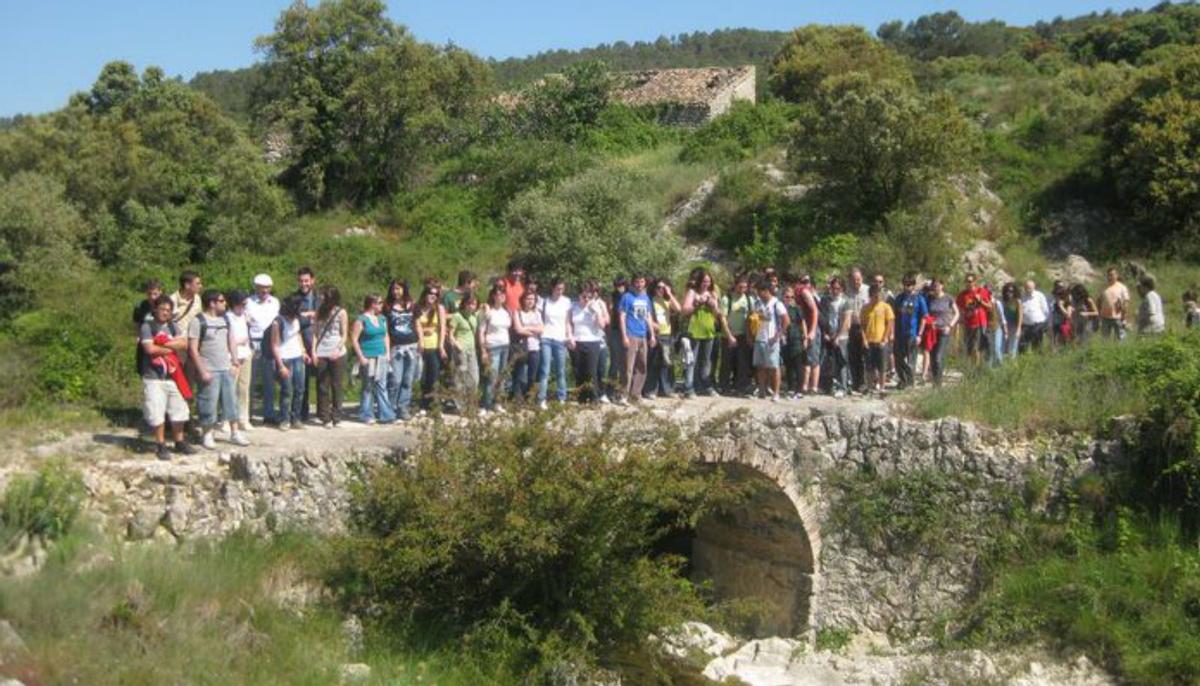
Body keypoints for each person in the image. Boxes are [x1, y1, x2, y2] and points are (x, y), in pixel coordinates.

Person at [188, 290, 248, 450]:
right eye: (221, 301)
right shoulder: (198, 321)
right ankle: (207, 434)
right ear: (212, 303)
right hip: (209, 369)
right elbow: (193, 349)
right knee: (208, 402)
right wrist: (202, 371)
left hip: (226, 367)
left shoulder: (225, 319)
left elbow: (231, 341)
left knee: (231, 401)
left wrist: (235, 362)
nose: (225, 303)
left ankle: (235, 433)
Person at [140, 296, 195, 460]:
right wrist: (171, 347)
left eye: (169, 310)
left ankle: (179, 441)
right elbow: (149, 349)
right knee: (157, 410)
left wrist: (162, 345)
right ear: (155, 309)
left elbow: (184, 344)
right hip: (153, 376)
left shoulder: (173, 326)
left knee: (179, 409)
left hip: (173, 375)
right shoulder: (147, 326)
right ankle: (160, 444)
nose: (166, 313)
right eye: (163, 309)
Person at [350, 294, 394, 424]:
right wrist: (361, 357)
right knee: (368, 386)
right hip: (368, 356)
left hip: (381, 355)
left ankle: (386, 414)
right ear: (372, 304)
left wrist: (387, 353)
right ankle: (366, 414)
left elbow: (385, 335)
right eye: (379, 303)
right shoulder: (362, 319)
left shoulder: (382, 319)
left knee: (382, 385)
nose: (381, 305)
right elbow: (354, 339)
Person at [268, 295, 310, 431]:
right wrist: (280, 366)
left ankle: (296, 418)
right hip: (284, 358)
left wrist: (303, 351)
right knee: (287, 390)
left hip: (297, 356)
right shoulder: (278, 322)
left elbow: (297, 335)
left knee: (300, 389)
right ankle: (284, 419)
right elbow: (274, 345)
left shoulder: (297, 319)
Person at [245, 274, 280, 424]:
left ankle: (269, 414)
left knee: (269, 380)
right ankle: (248, 413)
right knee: (249, 381)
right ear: (256, 287)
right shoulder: (248, 302)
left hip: (270, 343)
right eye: (262, 287)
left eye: (267, 287)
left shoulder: (275, 302)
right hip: (253, 342)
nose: (265, 290)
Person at [682, 268, 721, 398]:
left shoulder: (713, 293)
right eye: (704, 281)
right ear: (699, 281)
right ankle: (689, 387)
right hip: (695, 331)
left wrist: (712, 304)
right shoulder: (692, 292)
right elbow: (685, 311)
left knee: (706, 361)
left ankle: (705, 386)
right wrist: (697, 304)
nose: (706, 284)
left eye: (709, 281)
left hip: (709, 331)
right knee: (691, 360)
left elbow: (718, 314)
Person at [536, 278, 573, 410]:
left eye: (562, 289)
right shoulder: (544, 302)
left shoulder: (567, 302)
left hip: (560, 339)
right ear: (552, 288)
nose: (560, 291)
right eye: (558, 288)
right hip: (546, 337)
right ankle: (541, 398)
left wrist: (569, 336)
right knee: (545, 369)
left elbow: (568, 322)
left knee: (560, 370)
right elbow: (539, 319)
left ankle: (562, 397)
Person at [313, 286, 348, 428]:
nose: (321, 298)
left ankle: (337, 416)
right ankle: (325, 417)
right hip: (321, 351)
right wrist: (313, 352)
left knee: (337, 385)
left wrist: (337, 349)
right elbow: (315, 333)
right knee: (322, 385)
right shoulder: (319, 312)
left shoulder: (341, 312)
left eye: (323, 295)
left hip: (337, 351)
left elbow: (345, 334)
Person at [619, 274, 656, 405]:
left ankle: (636, 394)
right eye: (637, 282)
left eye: (642, 281)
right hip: (631, 334)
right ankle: (623, 395)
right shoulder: (627, 297)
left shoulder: (646, 298)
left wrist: (652, 334)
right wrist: (624, 336)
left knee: (642, 366)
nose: (639, 284)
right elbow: (622, 317)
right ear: (633, 283)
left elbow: (648, 316)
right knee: (628, 367)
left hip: (643, 336)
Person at [385, 280, 420, 420]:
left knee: (408, 379)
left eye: (398, 289)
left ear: (404, 289)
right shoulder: (387, 307)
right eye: (393, 289)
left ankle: (403, 407)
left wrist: (421, 342)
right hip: (396, 347)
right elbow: (386, 330)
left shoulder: (412, 306)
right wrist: (387, 350)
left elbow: (417, 325)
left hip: (412, 345)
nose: (396, 292)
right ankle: (391, 407)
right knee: (395, 379)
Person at [570, 281, 608, 404]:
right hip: (577, 341)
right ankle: (581, 397)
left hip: (593, 341)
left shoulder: (595, 306)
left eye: (589, 297)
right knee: (578, 370)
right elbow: (569, 324)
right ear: (579, 295)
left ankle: (594, 397)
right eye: (584, 296)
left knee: (591, 371)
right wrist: (570, 337)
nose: (586, 299)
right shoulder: (573, 306)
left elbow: (602, 325)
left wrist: (596, 312)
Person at [751, 280, 789, 401]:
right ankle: (761, 391)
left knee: (773, 366)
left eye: (760, 292)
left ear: (766, 291)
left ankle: (776, 392)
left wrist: (778, 335)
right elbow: (751, 318)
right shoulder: (757, 303)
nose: (758, 294)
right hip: (759, 338)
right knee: (760, 366)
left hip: (772, 339)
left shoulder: (776, 303)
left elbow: (786, 321)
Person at [479, 285, 513, 414]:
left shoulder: (506, 311)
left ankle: (497, 403)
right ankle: (485, 404)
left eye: (503, 294)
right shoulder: (487, 311)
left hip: (505, 345)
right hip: (492, 346)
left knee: (502, 377)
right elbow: (481, 332)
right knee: (491, 377)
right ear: (493, 296)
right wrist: (483, 350)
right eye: (499, 294)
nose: (502, 296)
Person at [415, 284, 447, 414]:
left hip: (435, 346)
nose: (433, 296)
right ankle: (422, 404)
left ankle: (434, 406)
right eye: (430, 293)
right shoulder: (417, 308)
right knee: (422, 377)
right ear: (425, 294)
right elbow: (416, 326)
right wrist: (425, 330)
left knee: (434, 377)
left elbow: (443, 327)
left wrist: (441, 346)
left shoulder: (439, 308)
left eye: (436, 294)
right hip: (421, 347)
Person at [293, 267, 321, 422]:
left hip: (319, 344)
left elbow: (325, 316)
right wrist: (308, 317)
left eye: (307, 281)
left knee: (322, 380)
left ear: (312, 280)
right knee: (301, 381)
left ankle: (321, 412)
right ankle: (302, 413)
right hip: (300, 344)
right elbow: (293, 319)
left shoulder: (320, 297)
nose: (304, 284)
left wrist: (311, 315)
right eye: (301, 281)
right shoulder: (293, 298)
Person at [720, 275, 754, 396]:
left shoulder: (749, 299)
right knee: (727, 362)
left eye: (745, 287)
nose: (742, 289)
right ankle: (724, 387)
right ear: (735, 285)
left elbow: (751, 318)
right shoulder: (727, 299)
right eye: (740, 286)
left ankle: (741, 387)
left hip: (743, 335)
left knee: (742, 363)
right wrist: (729, 336)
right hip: (728, 335)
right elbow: (723, 319)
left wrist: (750, 336)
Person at [891, 274, 928, 389]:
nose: (907, 287)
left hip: (912, 333)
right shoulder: (899, 298)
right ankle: (903, 380)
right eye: (905, 285)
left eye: (909, 285)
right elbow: (893, 316)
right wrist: (892, 333)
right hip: (899, 334)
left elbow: (924, 317)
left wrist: (920, 334)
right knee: (898, 359)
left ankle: (910, 383)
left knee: (911, 359)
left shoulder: (919, 299)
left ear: (913, 285)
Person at [819, 277, 853, 397]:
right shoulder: (826, 300)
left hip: (842, 336)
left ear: (842, 289)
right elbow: (822, 317)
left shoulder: (846, 301)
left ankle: (843, 387)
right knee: (829, 361)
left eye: (838, 288)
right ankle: (829, 386)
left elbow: (846, 320)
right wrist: (825, 334)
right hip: (829, 334)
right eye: (833, 288)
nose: (835, 291)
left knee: (842, 361)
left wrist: (838, 337)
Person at [647, 279, 681, 399]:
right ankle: (651, 390)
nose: (661, 290)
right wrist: (652, 325)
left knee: (668, 362)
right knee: (654, 363)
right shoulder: (650, 300)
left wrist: (669, 293)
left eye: (663, 287)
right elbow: (647, 316)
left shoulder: (667, 300)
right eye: (659, 287)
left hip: (667, 334)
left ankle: (668, 389)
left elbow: (678, 309)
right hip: (655, 335)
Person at [226, 290, 254, 435]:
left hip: (246, 354)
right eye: (242, 304)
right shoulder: (227, 317)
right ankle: (227, 419)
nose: (244, 307)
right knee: (230, 389)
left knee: (244, 388)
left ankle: (244, 418)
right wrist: (238, 342)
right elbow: (225, 339)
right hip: (232, 355)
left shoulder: (245, 316)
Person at [448, 292, 481, 411]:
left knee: (474, 378)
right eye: (469, 304)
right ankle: (461, 407)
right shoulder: (457, 316)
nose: (472, 306)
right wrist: (457, 345)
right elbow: (450, 335)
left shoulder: (474, 316)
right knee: (460, 378)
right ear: (464, 304)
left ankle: (471, 404)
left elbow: (485, 309)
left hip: (472, 350)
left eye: (474, 304)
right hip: (460, 351)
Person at [860, 284, 895, 393]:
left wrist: (885, 338)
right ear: (871, 295)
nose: (877, 297)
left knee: (882, 366)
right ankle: (870, 387)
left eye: (879, 295)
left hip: (881, 341)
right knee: (869, 366)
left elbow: (890, 322)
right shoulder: (865, 308)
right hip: (869, 340)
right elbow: (862, 325)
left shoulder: (886, 307)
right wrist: (864, 339)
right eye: (875, 295)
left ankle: (882, 387)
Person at [512, 290, 544, 402]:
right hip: (521, 347)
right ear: (523, 300)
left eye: (532, 299)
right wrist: (533, 331)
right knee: (519, 374)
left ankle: (530, 398)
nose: (530, 301)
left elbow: (542, 329)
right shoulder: (517, 312)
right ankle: (517, 398)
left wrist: (527, 328)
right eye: (528, 299)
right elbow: (518, 329)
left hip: (535, 347)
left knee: (533, 375)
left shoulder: (537, 313)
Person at [926, 278, 959, 387]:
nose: (935, 287)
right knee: (932, 357)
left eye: (937, 285)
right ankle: (935, 382)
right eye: (933, 285)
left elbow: (957, 313)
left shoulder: (948, 298)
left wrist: (950, 326)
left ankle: (938, 384)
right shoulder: (929, 298)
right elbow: (926, 313)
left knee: (938, 357)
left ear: (942, 285)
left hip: (944, 330)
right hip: (932, 330)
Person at [955, 273, 992, 366]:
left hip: (979, 323)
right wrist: (959, 320)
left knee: (977, 347)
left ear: (975, 282)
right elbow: (958, 308)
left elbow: (990, 306)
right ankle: (970, 368)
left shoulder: (981, 291)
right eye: (966, 281)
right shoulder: (962, 295)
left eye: (970, 281)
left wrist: (980, 301)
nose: (968, 283)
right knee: (969, 347)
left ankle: (976, 369)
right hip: (968, 324)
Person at [795, 275, 822, 395]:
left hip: (812, 328)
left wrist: (812, 330)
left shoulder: (804, 292)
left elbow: (815, 310)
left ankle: (813, 387)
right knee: (806, 358)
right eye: (803, 281)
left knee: (813, 358)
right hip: (803, 328)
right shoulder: (796, 292)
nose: (806, 284)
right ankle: (804, 386)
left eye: (807, 281)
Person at [132, 278, 164, 377]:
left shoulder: (165, 306)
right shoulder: (141, 306)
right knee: (143, 371)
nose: (152, 297)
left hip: (161, 342)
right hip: (145, 342)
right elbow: (137, 323)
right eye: (149, 294)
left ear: (160, 292)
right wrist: (138, 336)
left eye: (155, 294)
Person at [845, 268, 870, 393]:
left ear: (862, 279)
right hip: (852, 327)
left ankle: (864, 383)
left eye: (858, 279)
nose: (856, 282)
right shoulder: (847, 291)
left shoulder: (867, 290)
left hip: (865, 326)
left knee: (864, 356)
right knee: (853, 356)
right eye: (854, 279)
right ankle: (855, 382)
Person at [604, 276, 628, 402]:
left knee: (625, 364)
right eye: (617, 285)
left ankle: (624, 391)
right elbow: (609, 315)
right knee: (614, 363)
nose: (620, 288)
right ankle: (610, 390)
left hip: (628, 332)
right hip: (614, 331)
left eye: (622, 285)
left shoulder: (629, 296)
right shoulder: (611, 298)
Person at [781, 285, 806, 398]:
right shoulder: (780, 308)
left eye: (792, 297)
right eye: (787, 297)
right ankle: (791, 387)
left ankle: (799, 390)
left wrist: (805, 337)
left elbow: (803, 322)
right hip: (784, 338)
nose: (790, 299)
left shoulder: (797, 308)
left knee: (798, 364)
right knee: (788, 364)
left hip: (796, 337)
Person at [1098, 267, 1130, 341]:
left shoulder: (1122, 287)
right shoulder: (1104, 287)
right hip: (1105, 317)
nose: (1110, 277)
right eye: (1109, 275)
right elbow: (1099, 301)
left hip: (1118, 317)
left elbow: (1126, 302)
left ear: (1117, 275)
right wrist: (1099, 315)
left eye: (1112, 275)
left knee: (1121, 338)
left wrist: (1124, 316)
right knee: (1104, 338)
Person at [1019, 280, 1051, 352]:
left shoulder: (1039, 295)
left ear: (1034, 287)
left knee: (1037, 341)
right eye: (1026, 288)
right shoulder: (1022, 296)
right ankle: (1025, 355)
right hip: (1026, 324)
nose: (1028, 290)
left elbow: (1045, 309)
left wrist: (1044, 321)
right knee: (1024, 341)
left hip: (1038, 323)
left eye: (1030, 288)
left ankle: (1038, 354)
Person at [170, 271, 204, 337]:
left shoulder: (197, 298)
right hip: (177, 339)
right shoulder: (172, 300)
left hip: (194, 338)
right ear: (187, 285)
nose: (201, 286)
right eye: (197, 284)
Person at [1000, 283, 1022, 360]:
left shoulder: (1017, 302)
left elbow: (1020, 316)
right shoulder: (1002, 301)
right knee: (1002, 346)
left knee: (1012, 347)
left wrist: (1019, 329)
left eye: (1011, 291)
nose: (1009, 293)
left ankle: (1012, 364)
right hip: (1003, 327)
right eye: (1007, 291)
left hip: (1014, 326)